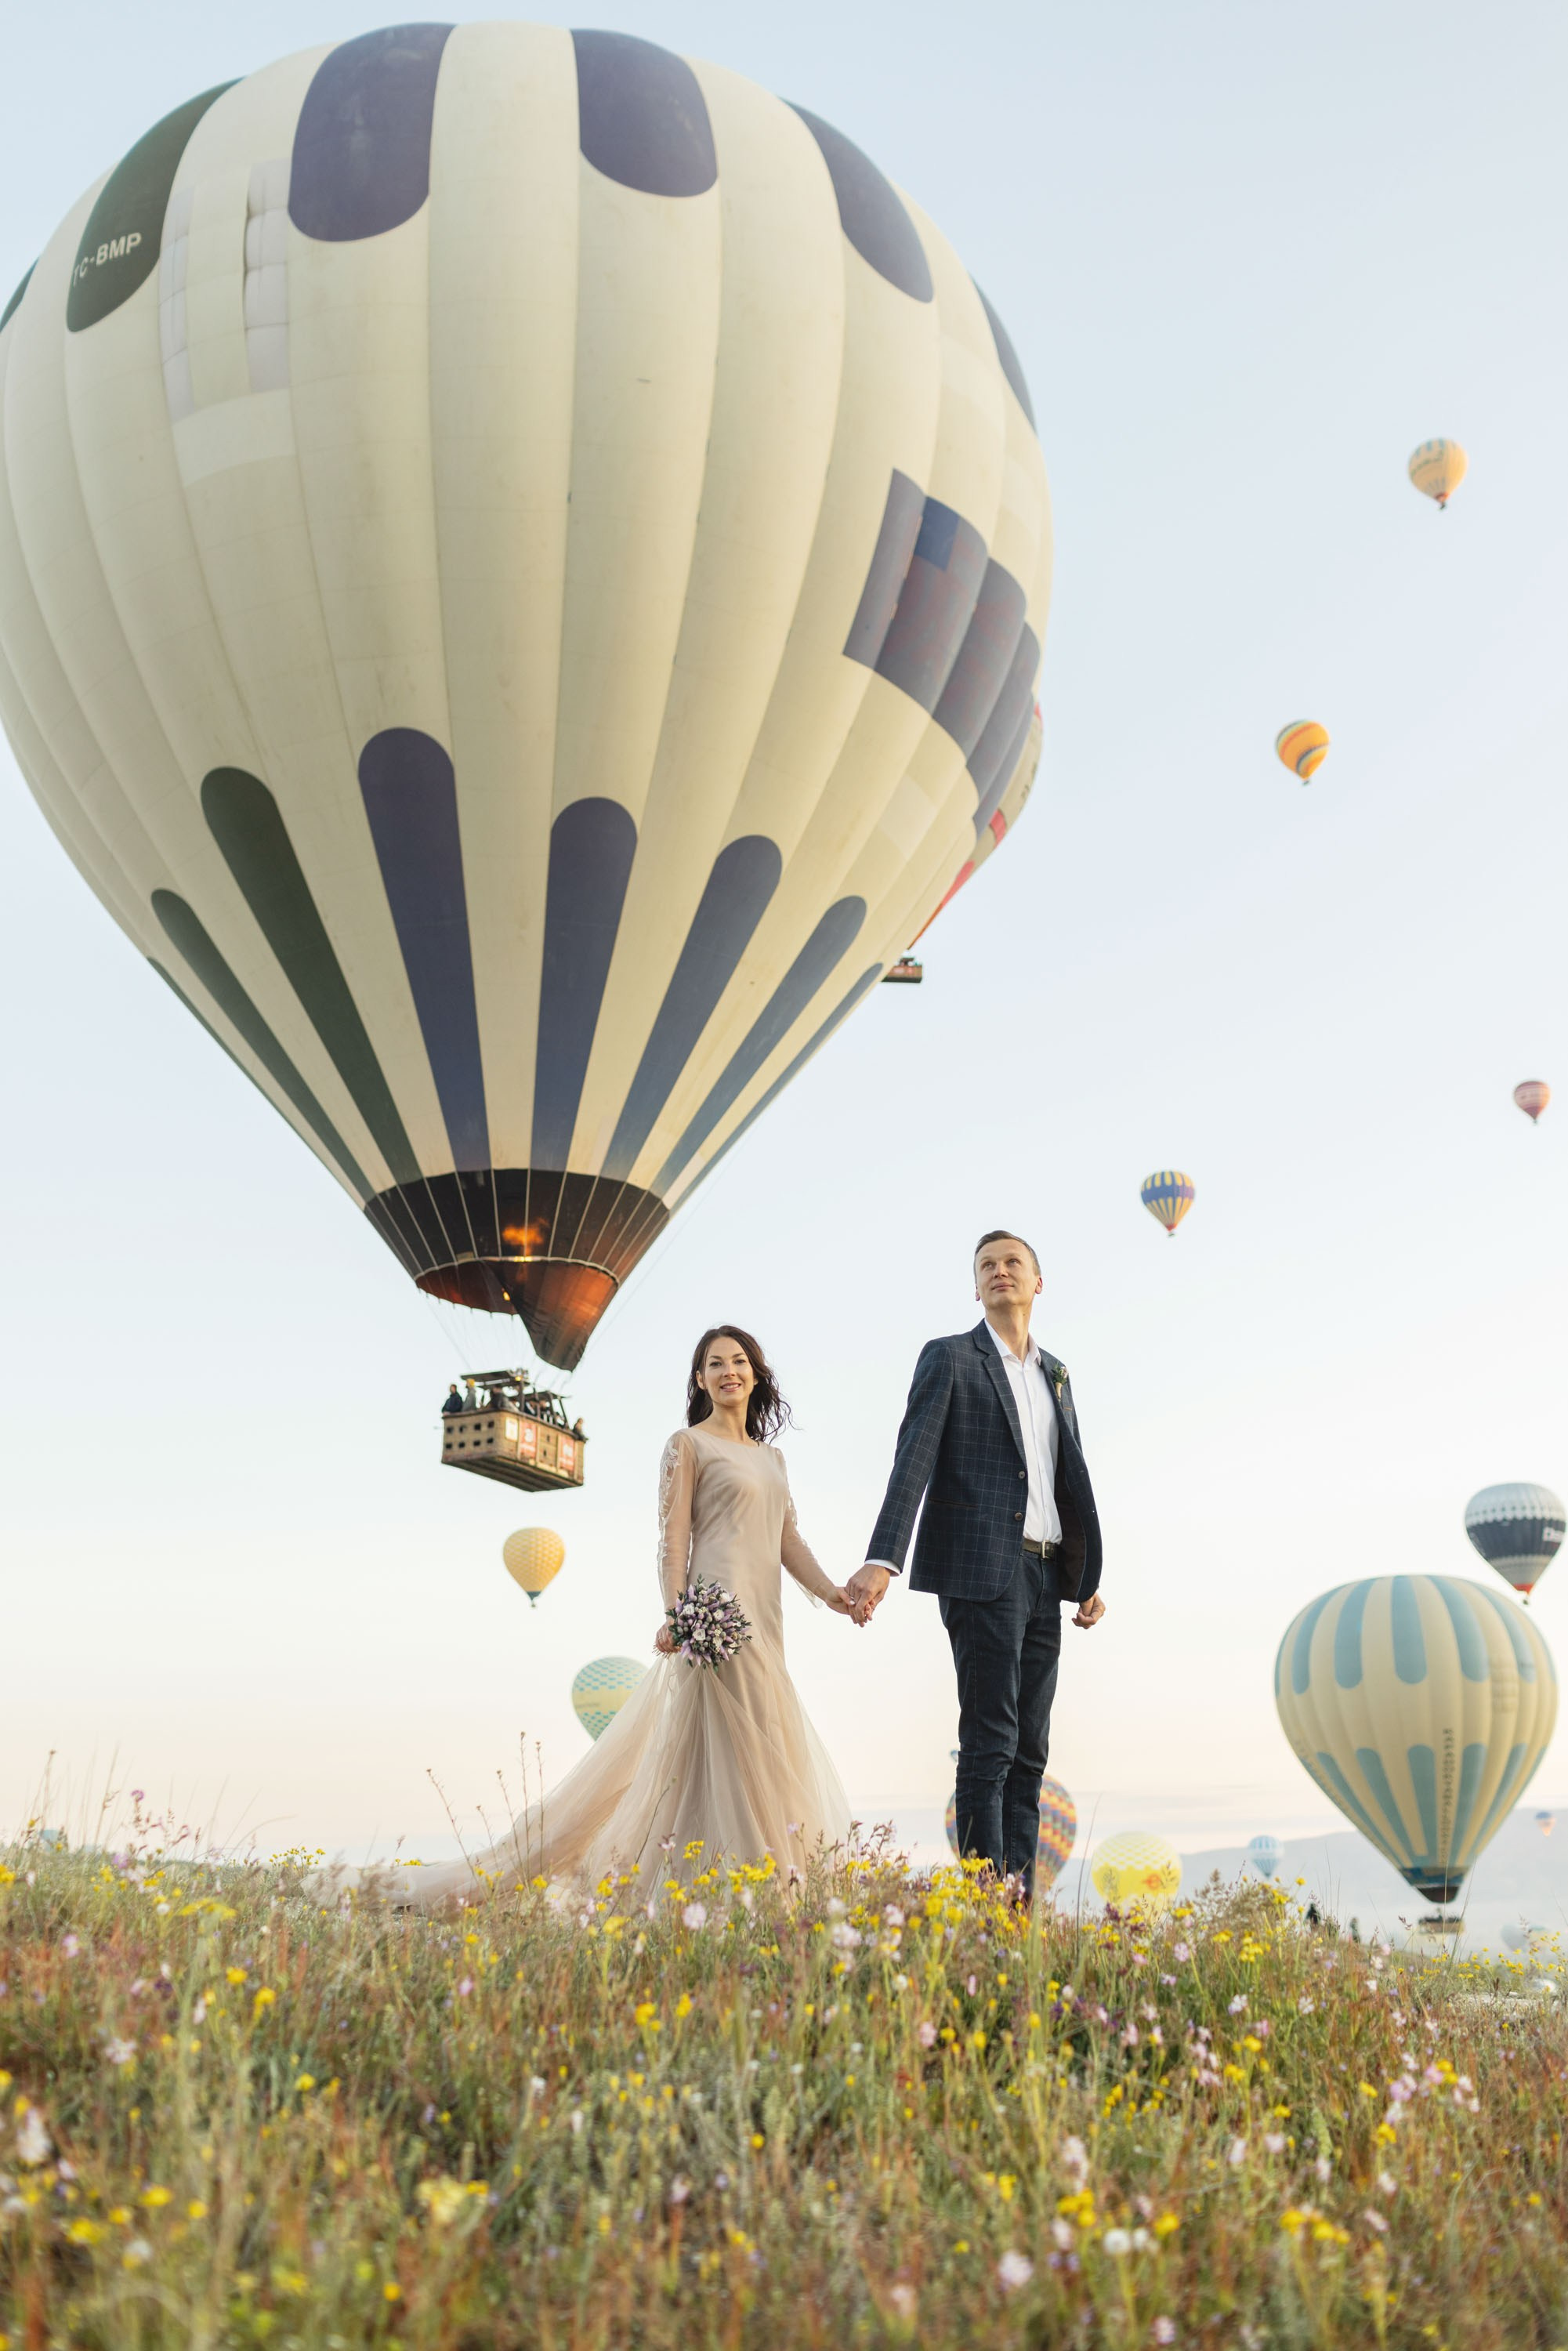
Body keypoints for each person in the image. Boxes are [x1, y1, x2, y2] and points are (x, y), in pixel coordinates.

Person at [396, 1325, 854, 1904]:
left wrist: (833, 1593)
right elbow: (673, 1540)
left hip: (766, 1617)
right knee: (732, 1749)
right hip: (714, 1616)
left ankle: (751, 1883)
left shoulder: (772, 1458)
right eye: (715, 1364)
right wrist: (679, 1615)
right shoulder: (687, 1444)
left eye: (739, 1362)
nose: (728, 1371)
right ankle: (742, 1887)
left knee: (761, 1736)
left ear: (757, 1374)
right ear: (700, 1379)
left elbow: (788, 1540)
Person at [847, 1230, 1105, 1902]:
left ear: (1037, 1282)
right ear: (975, 1287)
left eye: (1012, 1263)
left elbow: (1064, 1480)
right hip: (981, 1569)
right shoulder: (950, 1358)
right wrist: (882, 1559)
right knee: (989, 1742)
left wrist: (1086, 1579)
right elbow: (914, 1459)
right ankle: (983, 1901)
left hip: (1047, 1578)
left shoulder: (1056, 1372)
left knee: (1030, 1750)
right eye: (985, 1266)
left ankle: (1020, 1904)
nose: (999, 1272)